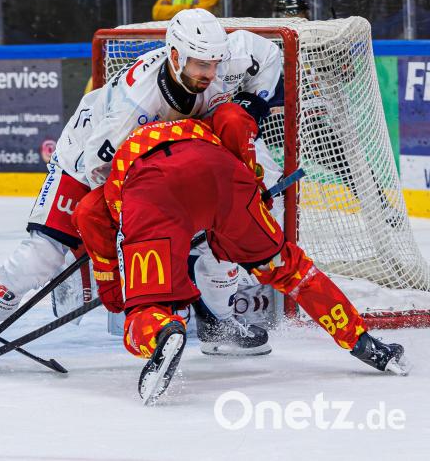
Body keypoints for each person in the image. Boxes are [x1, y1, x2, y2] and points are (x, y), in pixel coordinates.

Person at [0, 9, 282, 357]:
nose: (210, 73)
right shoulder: (135, 107)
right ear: (175, 56)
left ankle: (219, 324)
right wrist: (129, 222)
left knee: (218, 231)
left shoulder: (227, 55)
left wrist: (254, 103)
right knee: (43, 254)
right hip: (84, 162)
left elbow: (269, 55)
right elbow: (95, 168)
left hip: (169, 158)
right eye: (200, 65)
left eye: (215, 64)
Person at [70, 102, 411, 404]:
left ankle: (161, 330)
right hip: (224, 177)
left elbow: (87, 213)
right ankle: (363, 342)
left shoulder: (114, 149)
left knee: (144, 309)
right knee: (291, 269)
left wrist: (117, 293)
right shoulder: (202, 118)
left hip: (154, 190)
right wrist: (253, 184)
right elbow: (235, 119)